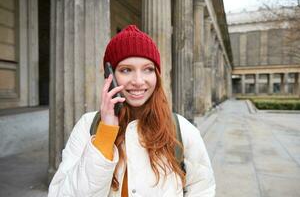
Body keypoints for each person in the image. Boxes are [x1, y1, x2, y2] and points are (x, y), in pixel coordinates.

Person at [48, 25, 215, 197]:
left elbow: (202, 189)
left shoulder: (181, 128)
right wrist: (105, 134)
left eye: (148, 69)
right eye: (126, 70)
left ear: (157, 75)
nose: (138, 81)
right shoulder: (87, 126)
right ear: (109, 75)